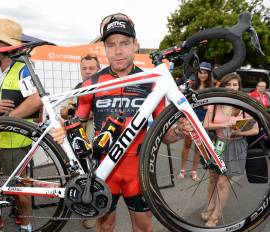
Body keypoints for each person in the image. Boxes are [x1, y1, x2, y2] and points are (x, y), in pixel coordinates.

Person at [50, 13, 191, 232]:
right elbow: (77, 122)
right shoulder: (92, 83)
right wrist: (61, 128)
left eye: (125, 43)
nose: (118, 51)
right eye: (111, 44)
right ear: (104, 49)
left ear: (136, 45)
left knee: (144, 227)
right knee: (105, 226)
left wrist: (181, 130)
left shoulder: (151, 82)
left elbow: (164, 135)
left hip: (139, 169)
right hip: (104, 169)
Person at [0, 18, 42, 232]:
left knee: (20, 189)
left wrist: (8, 117)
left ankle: (26, 224)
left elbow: (35, 100)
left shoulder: (22, 69)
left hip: (15, 141)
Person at [202, 72, 259, 227]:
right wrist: (223, 125)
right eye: (229, 84)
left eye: (235, 85)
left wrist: (238, 131)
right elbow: (206, 125)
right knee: (213, 178)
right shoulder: (215, 103)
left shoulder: (243, 105)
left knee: (223, 181)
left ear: (239, 87)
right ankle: (209, 206)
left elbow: (255, 130)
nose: (232, 87)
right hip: (219, 144)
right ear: (224, 85)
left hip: (236, 145)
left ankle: (215, 216)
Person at [60, 53, 100, 229]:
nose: (88, 71)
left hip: (97, 139)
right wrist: (77, 112)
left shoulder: (106, 87)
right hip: (77, 139)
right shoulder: (77, 88)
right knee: (79, 171)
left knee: (96, 172)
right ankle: (83, 201)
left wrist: (87, 113)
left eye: (91, 68)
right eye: (84, 68)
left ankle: (95, 212)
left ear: (98, 69)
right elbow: (63, 111)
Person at [177, 62, 213, 181]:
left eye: (205, 73)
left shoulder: (211, 88)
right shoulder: (192, 86)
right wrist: (183, 118)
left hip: (204, 120)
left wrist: (208, 107)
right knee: (187, 145)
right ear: (197, 73)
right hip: (191, 119)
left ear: (209, 74)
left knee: (199, 148)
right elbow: (185, 102)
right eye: (200, 72)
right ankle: (182, 170)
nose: (202, 75)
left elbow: (213, 106)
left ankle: (194, 172)